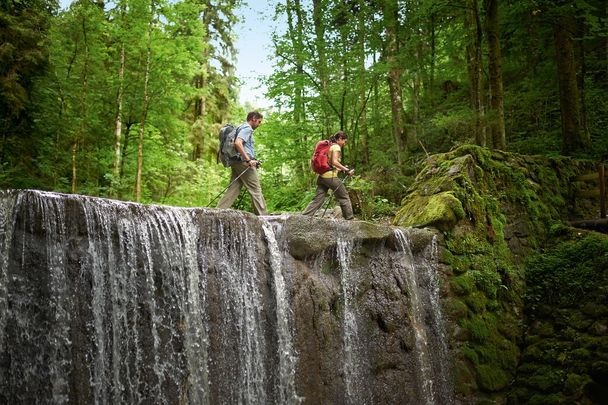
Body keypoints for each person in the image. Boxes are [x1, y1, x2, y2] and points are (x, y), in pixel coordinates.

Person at [217, 111, 268, 215]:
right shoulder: (247, 128)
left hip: (237, 161)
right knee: (255, 189)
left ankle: (217, 211)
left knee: (234, 188)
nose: (259, 124)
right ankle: (264, 217)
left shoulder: (241, 127)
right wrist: (248, 160)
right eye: (259, 121)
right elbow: (238, 143)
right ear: (253, 118)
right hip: (244, 162)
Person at [302, 131, 354, 220]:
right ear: (340, 139)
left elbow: (331, 164)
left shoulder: (329, 146)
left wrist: (341, 169)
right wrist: (347, 170)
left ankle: (304, 217)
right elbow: (334, 162)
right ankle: (350, 220)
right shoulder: (336, 147)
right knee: (344, 197)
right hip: (330, 177)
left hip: (321, 177)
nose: (344, 144)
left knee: (318, 199)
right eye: (344, 141)